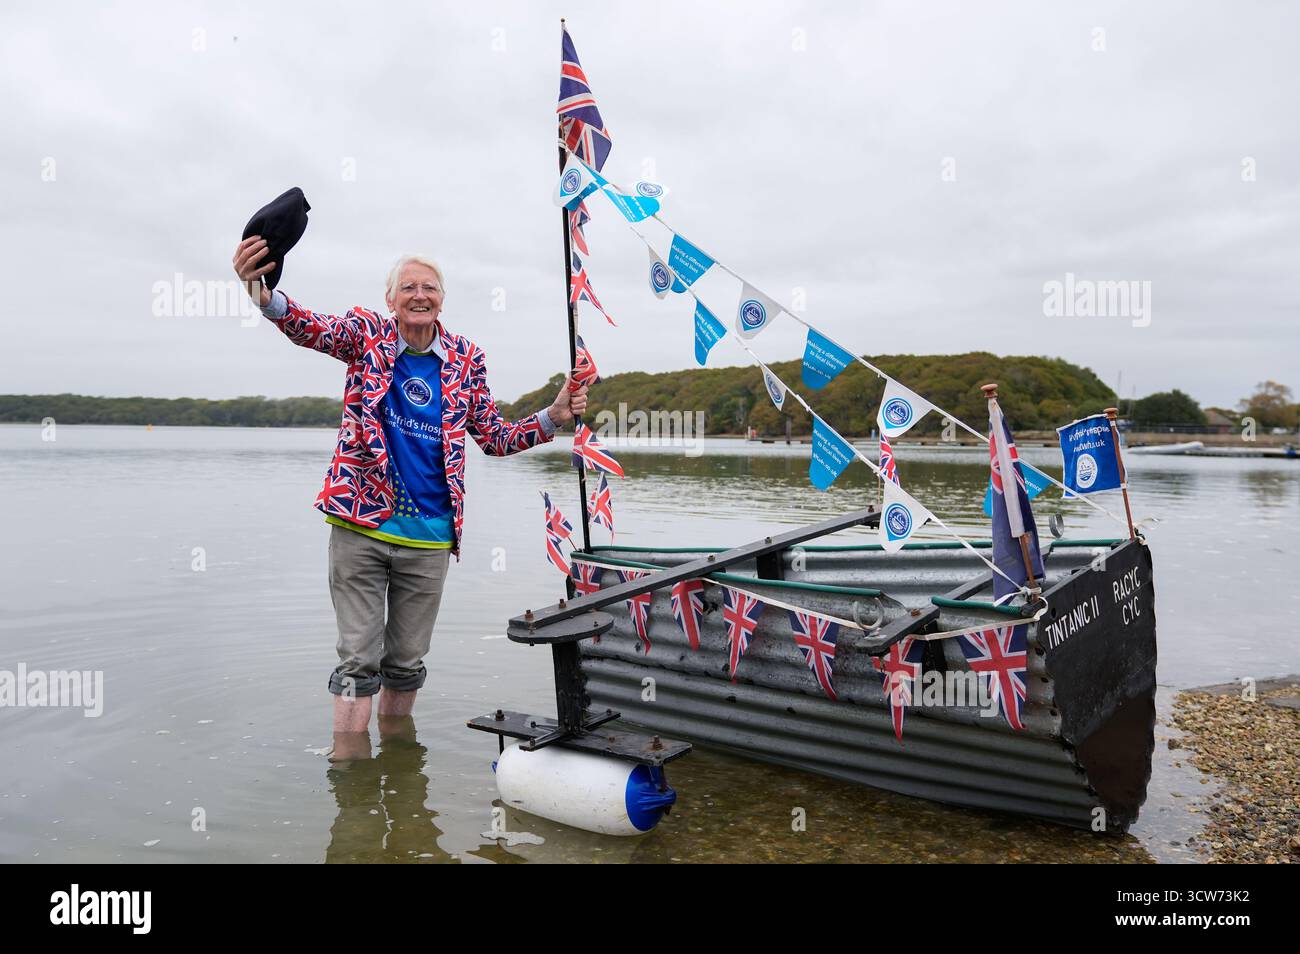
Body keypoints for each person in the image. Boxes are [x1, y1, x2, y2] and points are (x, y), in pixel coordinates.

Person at [232, 236, 588, 747]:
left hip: (429, 536)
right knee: (357, 659)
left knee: (405, 662)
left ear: (442, 299)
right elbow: (315, 330)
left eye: (429, 288)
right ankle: (354, 778)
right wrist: (267, 299)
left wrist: (552, 419)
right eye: (408, 287)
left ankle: (396, 750)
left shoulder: (467, 359)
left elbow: (494, 437)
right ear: (390, 299)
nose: (419, 295)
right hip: (359, 524)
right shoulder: (366, 336)